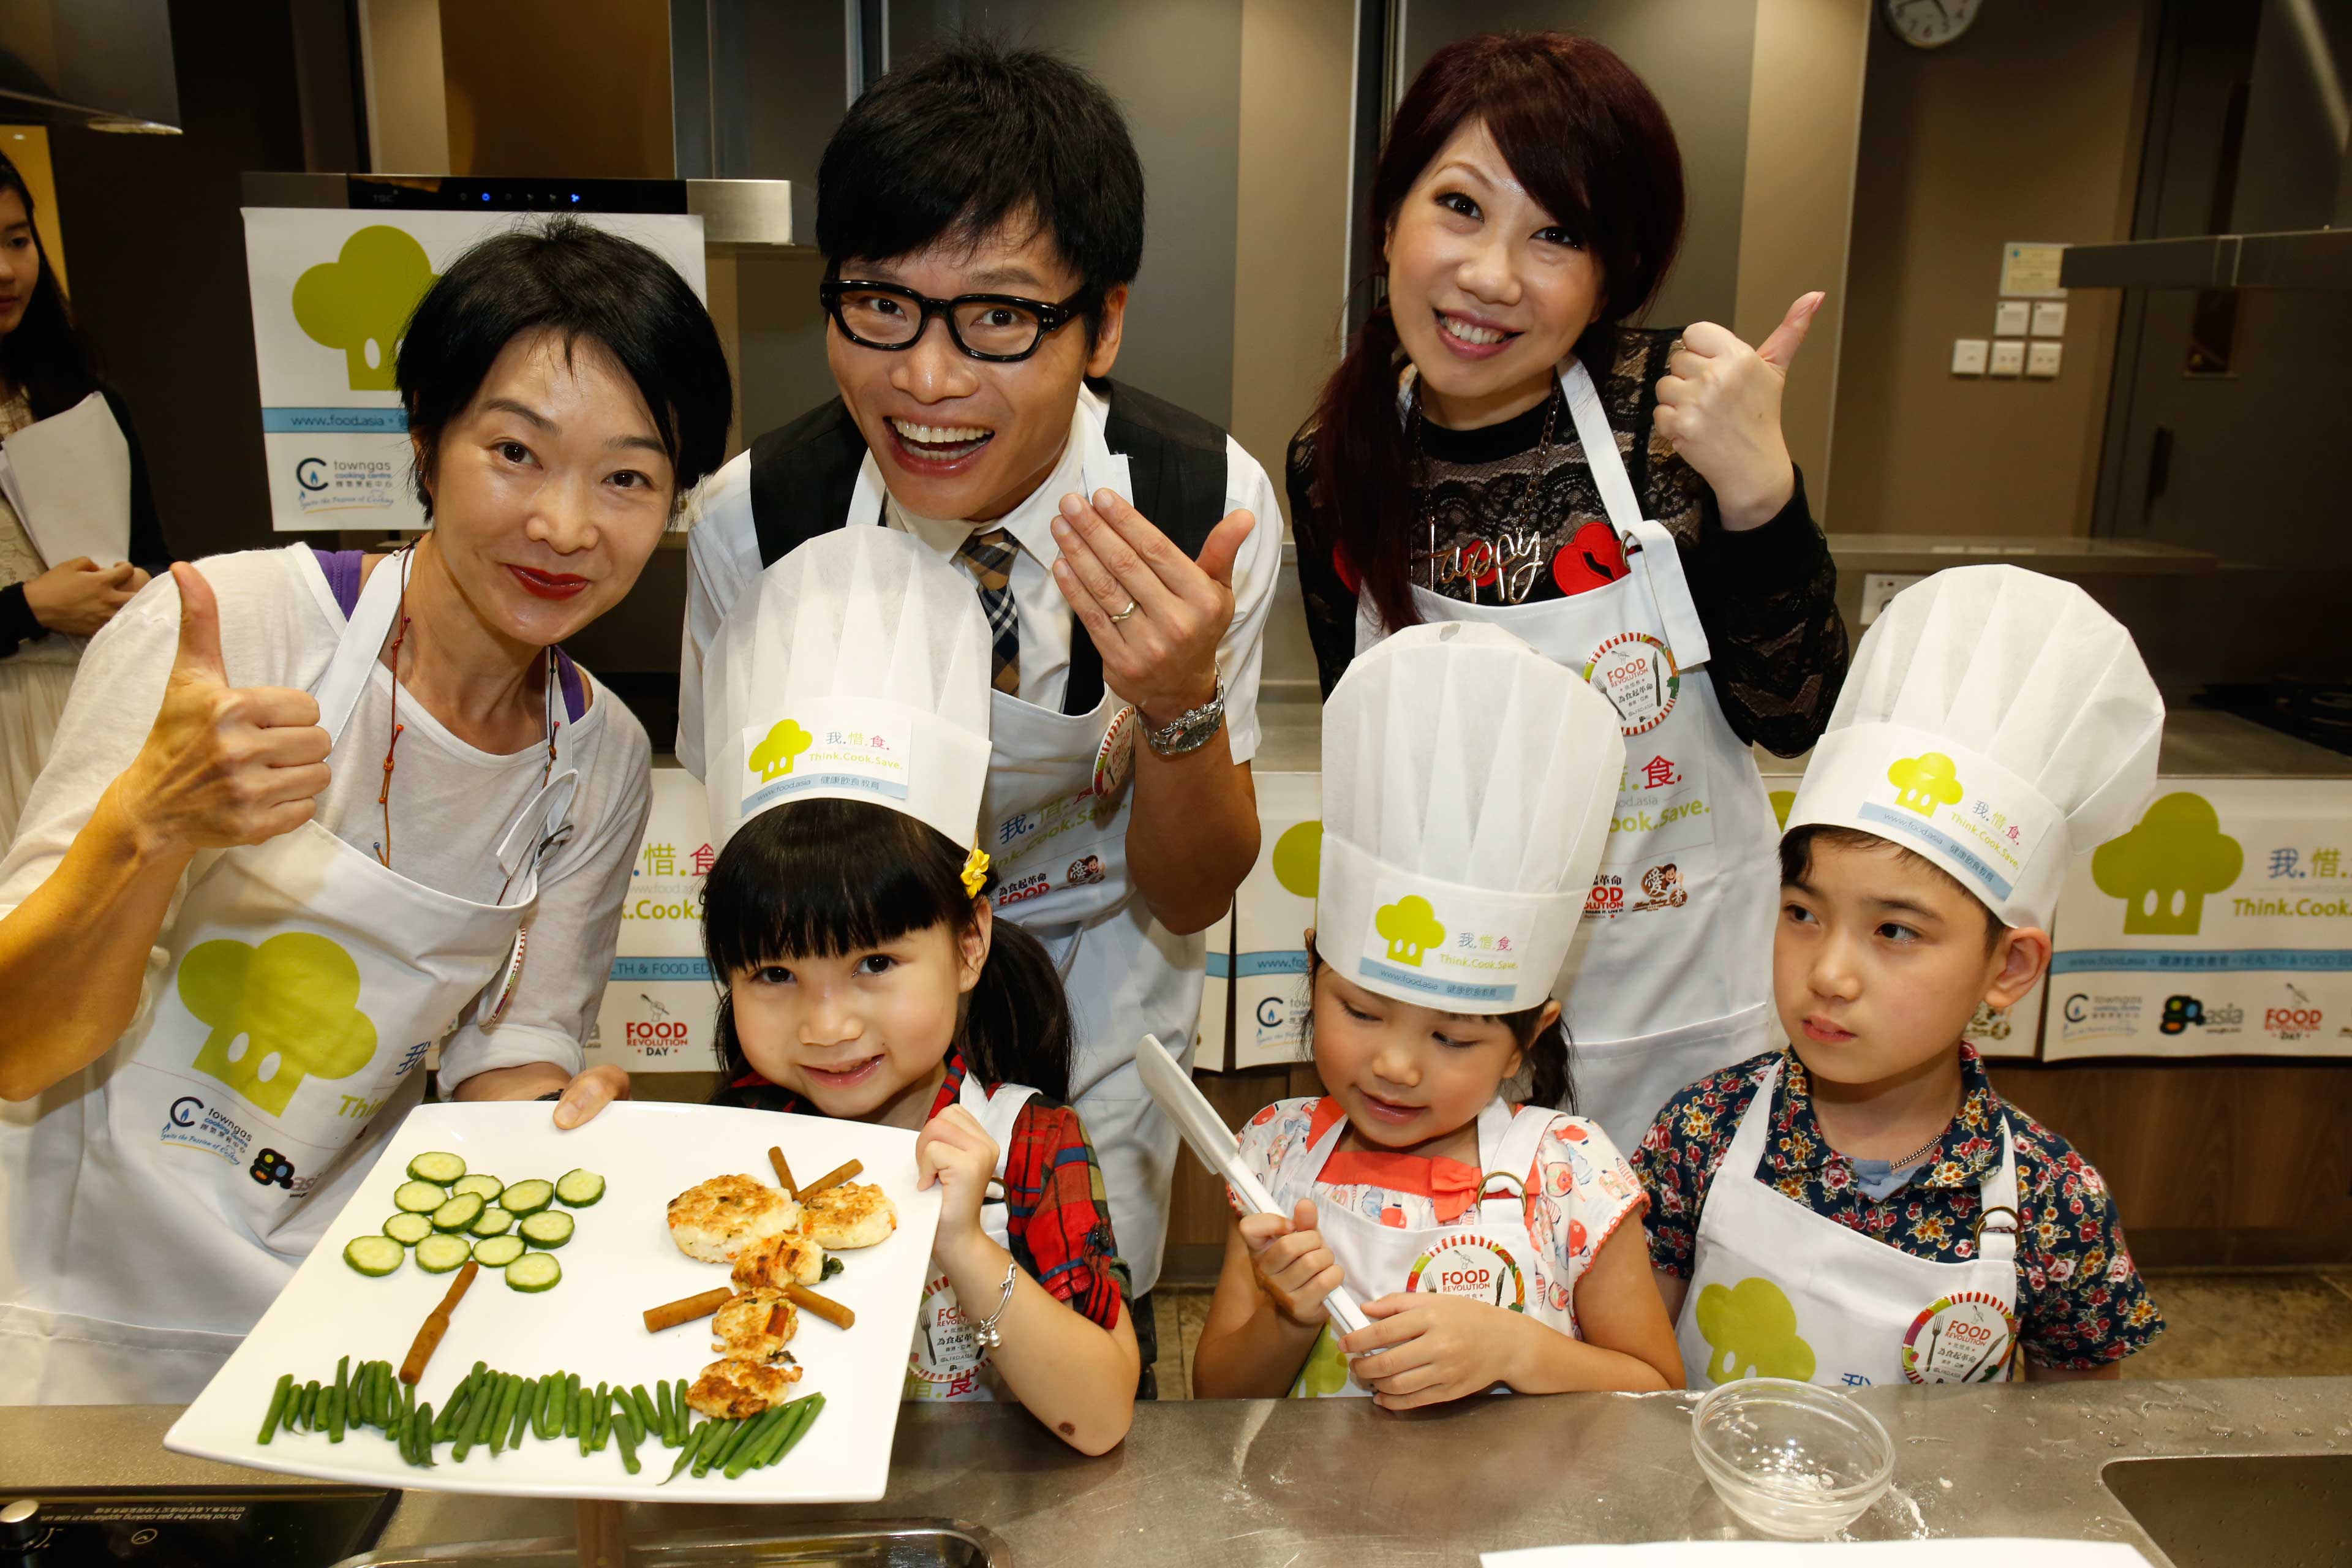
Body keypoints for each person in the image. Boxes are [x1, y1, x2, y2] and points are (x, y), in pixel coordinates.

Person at [0, 217, 734, 1403]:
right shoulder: (229, 630)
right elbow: (18, 1043)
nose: (565, 526)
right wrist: (153, 823)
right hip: (66, 1310)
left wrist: (563, 1118)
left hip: (331, 1307)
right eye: (515, 452)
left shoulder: (595, 758)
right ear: (426, 441)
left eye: (628, 478)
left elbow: (510, 1060)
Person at [676, 43, 1283, 1372]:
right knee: (821, 1339)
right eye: (880, 305)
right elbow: (756, 874)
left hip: (1097, 982)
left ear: (1103, 324)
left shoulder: (1198, 510)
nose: (928, 380)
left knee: (1072, 1350)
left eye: (998, 318)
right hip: (844, 1027)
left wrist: (1176, 706)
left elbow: (1190, 892)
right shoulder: (756, 523)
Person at [1287, 32, 1850, 1153]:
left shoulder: (1672, 422)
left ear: (1611, 273)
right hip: (1444, 1047)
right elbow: (1377, 748)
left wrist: (1761, 494)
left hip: (1681, 1020)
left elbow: (1795, 716)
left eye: (1557, 234)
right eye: (1460, 206)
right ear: (1388, 221)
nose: (1493, 275)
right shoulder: (1336, 462)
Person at [1636, 567, 2168, 1387]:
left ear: (2009, 965)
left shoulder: (2053, 1202)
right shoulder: (1703, 1130)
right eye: (1803, 913)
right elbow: (1636, 1375)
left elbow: (2075, 1430)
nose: (1830, 973)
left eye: (1894, 931)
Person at [699, 526, 1138, 1452]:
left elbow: (1100, 1417)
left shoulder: (1032, 1145)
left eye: (874, 964)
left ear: (969, 942)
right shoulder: (735, 1140)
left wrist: (965, 1244)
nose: (827, 1025)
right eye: (774, 974)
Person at [1192, 623, 1682, 1403]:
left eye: (1452, 1037)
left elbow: (1657, 1393)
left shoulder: (1570, 1176)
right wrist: (1289, 1318)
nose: (1396, 1064)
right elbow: (1217, 1396)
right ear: (1313, 971)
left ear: (1525, 1043)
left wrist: (1519, 1351)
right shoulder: (1278, 1153)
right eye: (1361, 1011)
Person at [0, 149, 172, 846]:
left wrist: (139, 589)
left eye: (17, 240)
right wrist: (29, 608)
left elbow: (153, 555)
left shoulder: (77, 396)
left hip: (97, 708)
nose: (6, 270)